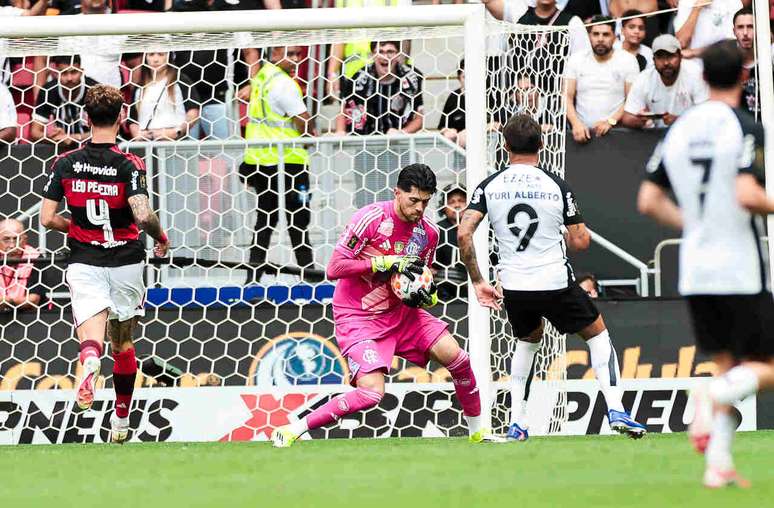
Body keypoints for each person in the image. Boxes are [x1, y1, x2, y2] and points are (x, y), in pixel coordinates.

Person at [271, 164, 503, 447]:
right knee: (371, 393)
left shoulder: (428, 233)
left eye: (426, 202)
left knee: (458, 358)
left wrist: (427, 294)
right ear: (397, 193)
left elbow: (418, 277)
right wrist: (383, 262)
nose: (419, 208)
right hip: (359, 316)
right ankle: (294, 428)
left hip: (402, 314)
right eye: (413, 200)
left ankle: (478, 432)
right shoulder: (370, 218)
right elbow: (334, 268)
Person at [458, 113, 646, 442]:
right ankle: (616, 409)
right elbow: (581, 241)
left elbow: (463, 234)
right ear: (542, 145)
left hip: (514, 286)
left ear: (505, 146)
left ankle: (517, 422)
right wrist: (564, 232)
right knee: (597, 335)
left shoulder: (489, 186)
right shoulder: (556, 185)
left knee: (527, 340)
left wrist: (478, 281)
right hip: (554, 282)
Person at [637, 40, 773, 489]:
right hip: (739, 267)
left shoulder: (680, 129)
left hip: (695, 268)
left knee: (729, 367)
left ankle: (718, 464)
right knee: (763, 367)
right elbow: (747, 195)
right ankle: (710, 394)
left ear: (704, 77)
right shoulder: (744, 126)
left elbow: (648, 200)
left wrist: (694, 224)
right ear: (744, 76)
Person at [39, 84, 170, 444]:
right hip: (126, 259)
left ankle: (89, 362)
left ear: (85, 117)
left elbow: (47, 218)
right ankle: (121, 422)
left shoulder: (65, 162)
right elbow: (142, 215)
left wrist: (77, 228)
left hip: (85, 260)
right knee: (123, 343)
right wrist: (161, 237)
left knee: (91, 338)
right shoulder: (130, 164)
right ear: (122, 117)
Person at [240, 46, 316, 283]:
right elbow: (303, 121)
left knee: (265, 220)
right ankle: (310, 276)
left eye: (298, 55)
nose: (295, 59)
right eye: (290, 54)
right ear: (275, 54)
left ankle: (253, 278)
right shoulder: (284, 84)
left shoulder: (262, 76)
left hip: (261, 161)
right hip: (289, 161)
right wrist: (310, 137)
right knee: (298, 220)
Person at [336, 40, 424, 208]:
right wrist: (340, 132)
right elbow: (343, 110)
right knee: (368, 199)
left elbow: (419, 118)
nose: (385, 56)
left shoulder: (411, 77)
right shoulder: (359, 78)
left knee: (401, 198)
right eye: (381, 51)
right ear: (373, 55)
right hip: (367, 149)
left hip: (399, 149)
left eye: (390, 51)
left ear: (398, 55)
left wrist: (402, 132)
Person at [565, 16, 640, 144]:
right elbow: (566, 96)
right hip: (582, 133)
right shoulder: (576, 59)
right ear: (589, 36)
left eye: (605, 34)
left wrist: (610, 122)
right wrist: (576, 124)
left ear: (614, 37)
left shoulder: (628, 60)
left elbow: (632, 99)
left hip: (617, 133)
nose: (600, 39)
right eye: (595, 34)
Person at [622, 34, 709, 129]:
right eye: (660, 57)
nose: (666, 63)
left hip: (691, 131)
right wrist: (640, 120)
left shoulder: (695, 73)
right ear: (653, 60)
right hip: (655, 133)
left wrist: (678, 121)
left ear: (680, 57)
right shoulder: (644, 78)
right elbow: (627, 117)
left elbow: (707, 115)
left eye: (671, 56)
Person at [128, 52, 200, 141]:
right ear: (145, 57)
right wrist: (138, 134)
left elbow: (193, 111)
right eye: (151, 54)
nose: (155, 60)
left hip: (175, 141)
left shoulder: (180, 80)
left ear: (169, 57)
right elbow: (132, 119)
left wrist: (177, 131)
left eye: (161, 54)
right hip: (147, 142)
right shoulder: (139, 87)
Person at [30, 55, 98, 147]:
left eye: (74, 72)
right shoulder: (48, 91)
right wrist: (54, 136)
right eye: (64, 73)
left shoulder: (95, 90)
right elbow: (35, 132)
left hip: (92, 147)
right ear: (57, 73)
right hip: (62, 148)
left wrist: (75, 137)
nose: (69, 78)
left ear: (81, 71)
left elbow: (105, 131)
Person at [0, 218, 45, 310]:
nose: (12, 245)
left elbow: (33, 300)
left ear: (25, 239)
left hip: (26, 315)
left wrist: (6, 301)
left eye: (16, 239)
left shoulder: (35, 257)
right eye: (6, 239)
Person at [733, 7, 769, 119]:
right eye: (740, 27)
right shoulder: (728, 62)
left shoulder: (770, 58)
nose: (745, 33)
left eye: (750, 27)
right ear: (734, 31)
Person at [435, 184, 468, 301]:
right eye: (451, 202)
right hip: (447, 293)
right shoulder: (437, 231)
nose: (457, 205)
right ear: (444, 207)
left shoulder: (481, 228)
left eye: (461, 201)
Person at [674, 0, 743, 53]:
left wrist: (695, 52)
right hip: (691, 65)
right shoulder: (686, 2)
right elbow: (681, 42)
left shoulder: (734, 2)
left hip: (720, 62)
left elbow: (732, 44)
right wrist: (697, 8)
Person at [438, 60, 466, 148]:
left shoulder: (488, 95)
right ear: (459, 78)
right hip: (460, 149)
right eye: (464, 77)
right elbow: (442, 126)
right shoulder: (454, 97)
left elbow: (498, 123)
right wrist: (448, 131)